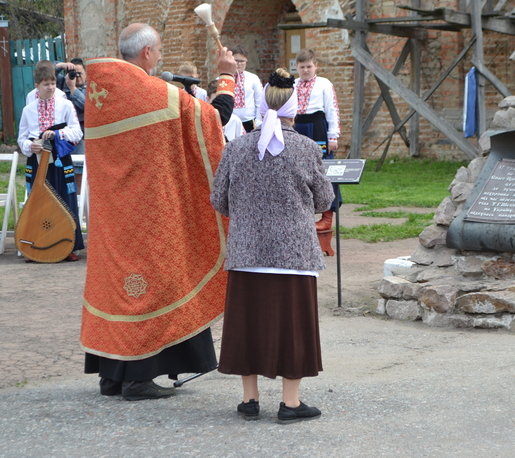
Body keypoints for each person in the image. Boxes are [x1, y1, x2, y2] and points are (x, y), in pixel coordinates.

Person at [80, 22, 235, 401]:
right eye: (160, 49)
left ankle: (111, 375)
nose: (162, 56)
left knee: (117, 288)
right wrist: (226, 77)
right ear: (147, 53)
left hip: (112, 218)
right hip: (149, 219)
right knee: (153, 287)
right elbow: (214, 119)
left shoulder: (100, 95)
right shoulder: (155, 95)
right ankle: (138, 379)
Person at [211, 68, 334, 424]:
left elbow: (218, 200)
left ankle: (249, 400)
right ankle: (290, 403)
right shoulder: (307, 148)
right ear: (294, 109)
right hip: (293, 255)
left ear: (262, 106)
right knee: (292, 328)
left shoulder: (236, 148)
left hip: (247, 252)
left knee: (248, 325)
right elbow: (324, 199)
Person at [16, 60, 84, 262]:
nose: (51, 87)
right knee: (37, 201)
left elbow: (77, 132)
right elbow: (22, 138)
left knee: (65, 198)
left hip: (61, 158)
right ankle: (36, 243)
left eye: (53, 83)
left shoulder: (66, 105)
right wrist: (31, 146)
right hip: (37, 161)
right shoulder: (28, 110)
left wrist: (57, 134)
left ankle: (68, 244)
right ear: (37, 86)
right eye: (46, 84)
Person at [293, 48, 341, 231]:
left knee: (322, 169)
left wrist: (333, 136)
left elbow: (332, 110)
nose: (305, 70)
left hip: (317, 127)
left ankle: (327, 214)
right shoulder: (292, 84)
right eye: (302, 67)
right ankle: (302, 212)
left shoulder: (324, 84)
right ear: (296, 67)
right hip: (297, 127)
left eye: (309, 66)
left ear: (316, 66)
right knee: (298, 168)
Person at [55, 59, 87, 190]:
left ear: (86, 74)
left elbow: (87, 107)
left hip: (82, 138)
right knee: (62, 172)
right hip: (63, 137)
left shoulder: (90, 89)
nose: (77, 77)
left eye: (80, 73)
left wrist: (73, 88)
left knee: (79, 172)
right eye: (74, 73)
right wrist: (59, 66)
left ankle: (80, 200)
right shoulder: (61, 84)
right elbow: (46, 73)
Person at [229, 45, 264, 133]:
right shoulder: (224, 78)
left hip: (249, 122)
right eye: (236, 61)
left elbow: (260, 100)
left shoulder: (253, 78)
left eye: (242, 61)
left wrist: (259, 120)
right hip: (230, 122)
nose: (239, 64)